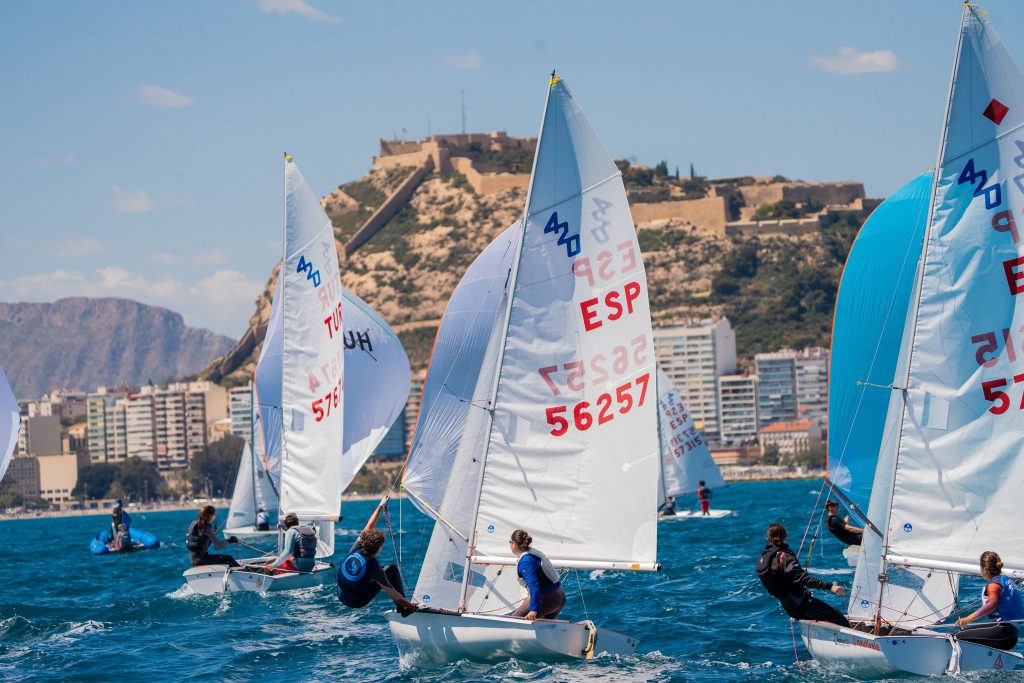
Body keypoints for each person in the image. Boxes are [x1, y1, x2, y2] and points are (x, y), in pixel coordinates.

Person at [756, 522, 850, 627]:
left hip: (790, 607)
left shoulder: (766, 557)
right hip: (801, 605)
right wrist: (831, 587)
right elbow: (804, 579)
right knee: (840, 619)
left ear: (768, 538)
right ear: (785, 536)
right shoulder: (784, 556)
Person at [336, 501, 417, 616]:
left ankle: (404, 607)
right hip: (355, 601)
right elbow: (393, 594)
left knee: (373, 574)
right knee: (391, 570)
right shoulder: (373, 566)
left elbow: (368, 527)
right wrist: (413, 607)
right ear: (378, 548)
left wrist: (380, 505)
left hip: (340, 594)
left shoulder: (357, 548)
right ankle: (403, 610)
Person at [955, 551, 1024, 627]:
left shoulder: (994, 585)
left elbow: (992, 604)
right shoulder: (1007, 580)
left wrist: (968, 619)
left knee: (958, 635)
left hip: (1003, 627)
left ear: (984, 568)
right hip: (1015, 626)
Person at [509, 529, 566, 621]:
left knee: (513, 620)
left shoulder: (525, 561)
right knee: (543, 627)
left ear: (514, 544)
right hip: (560, 596)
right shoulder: (532, 554)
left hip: (548, 599)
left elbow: (534, 585)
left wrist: (533, 610)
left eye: (510, 542)